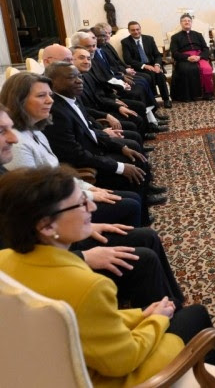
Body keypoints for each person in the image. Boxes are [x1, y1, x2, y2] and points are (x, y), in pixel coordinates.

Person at [0, 166, 215, 386]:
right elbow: (124, 360)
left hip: (45, 367)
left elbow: (81, 320)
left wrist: (139, 315)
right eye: (80, 203)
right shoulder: (89, 285)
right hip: (105, 378)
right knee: (196, 318)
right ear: (46, 227)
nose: (91, 207)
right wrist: (157, 320)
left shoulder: (4, 260)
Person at [0, 102, 183, 309]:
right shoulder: (18, 154)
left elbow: (45, 197)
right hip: (52, 259)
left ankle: (173, 305)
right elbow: (14, 260)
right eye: (2, 131)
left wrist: (87, 218)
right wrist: (82, 257)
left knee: (148, 236)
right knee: (144, 258)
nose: (13, 137)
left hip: (57, 235)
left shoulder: (23, 146)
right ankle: (161, 317)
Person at [0, 72, 145, 226]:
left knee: (132, 199)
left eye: (50, 94)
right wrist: (87, 195)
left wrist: (89, 188)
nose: (50, 100)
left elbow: (56, 173)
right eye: (42, 95)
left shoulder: (35, 130)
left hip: (65, 192)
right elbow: (36, 198)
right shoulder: (16, 144)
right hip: (55, 214)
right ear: (19, 100)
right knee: (131, 205)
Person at [121, 21, 172, 108]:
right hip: (139, 67)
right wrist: (144, 66)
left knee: (159, 73)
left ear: (140, 29)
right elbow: (128, 59)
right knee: (150, 74)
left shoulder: (149, 39)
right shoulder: (125, 42)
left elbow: (157, 55)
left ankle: (166, 99)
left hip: (152, 65)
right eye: (133, 30)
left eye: (138, 29)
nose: (136, 32)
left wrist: (157, 65)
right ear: (129, 31)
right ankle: (152, 100)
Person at [169, 13, 215, 101]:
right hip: (184, 59)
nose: (187, 22)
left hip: (199, 57)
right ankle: (189, 96)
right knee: (186, 69)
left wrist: (200, 57)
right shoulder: (175, 37)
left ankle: (207, 94)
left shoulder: (198, 35)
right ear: (181, 23)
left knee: (207, 68)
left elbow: (205, 48)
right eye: (184, 21)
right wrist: (187, 57)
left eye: (189, 21)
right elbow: (174, 52)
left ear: (191, 22)